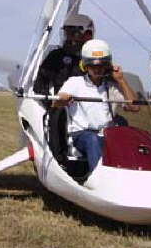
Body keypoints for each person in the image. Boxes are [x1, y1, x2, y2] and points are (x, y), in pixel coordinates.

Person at [54, 39, 139, 174]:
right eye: (93, 66)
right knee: (93, 140)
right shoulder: (75, 82)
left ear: (107, 66)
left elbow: (134, 107)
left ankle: (131, 175)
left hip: (108, 134)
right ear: (85, 66)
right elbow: (56, 103)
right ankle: (100, 180)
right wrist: (63, 99)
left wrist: (121, 80)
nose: (97, 69)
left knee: (128, 138)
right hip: (82, 135)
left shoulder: (111, 87)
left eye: (101, 66)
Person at [33, 13, 94, 96]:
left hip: (87, 105)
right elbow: (40, 83)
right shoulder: (56, 56)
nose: (68, 38)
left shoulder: (94, 59)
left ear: (86, 35)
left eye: (72, 33)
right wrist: (51, 103)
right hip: (60, 105)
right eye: (66, 33)